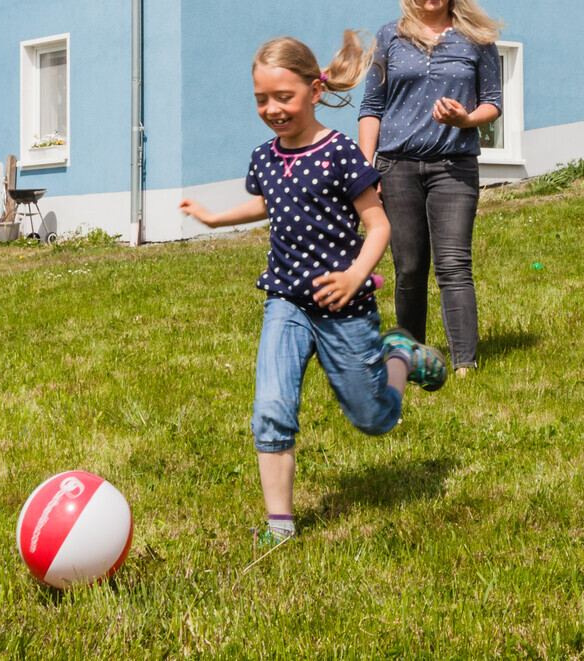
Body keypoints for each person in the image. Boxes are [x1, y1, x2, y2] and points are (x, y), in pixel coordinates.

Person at [179, 32, 448, 549]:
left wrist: (354, 277)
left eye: (284, 97)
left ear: (314, 91)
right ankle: (279, 525)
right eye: (261, 99)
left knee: (374, 418)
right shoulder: (264, 158)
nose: (272, 109)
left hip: (343, 306)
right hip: (285, 300)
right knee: (271, 406)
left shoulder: (340, 152)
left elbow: (379, 225)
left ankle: (399, 356)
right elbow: (267, 205)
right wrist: (214, 218)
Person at [356, 0, 503, 377]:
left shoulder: (477, 38)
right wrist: (366, 170)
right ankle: (410, 359)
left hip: (454, 166)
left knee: (454, 263)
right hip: (396, 166)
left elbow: (493, 102)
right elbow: (371, 107)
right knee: (409, 266)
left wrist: (467, 117)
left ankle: (464, 364)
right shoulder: (389, 37)